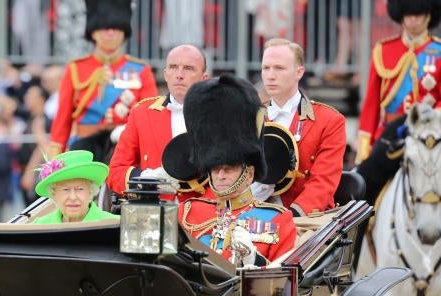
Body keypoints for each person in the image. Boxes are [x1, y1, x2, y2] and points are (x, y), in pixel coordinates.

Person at [173, 74, 297, 266]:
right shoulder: (187, 211)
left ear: (248, 174)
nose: (220, 175)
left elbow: (283, 281)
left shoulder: (278, 219)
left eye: (228, 169)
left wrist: (253, 260)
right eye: (215, 169)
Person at [48, 0, 157, 162]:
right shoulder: (76, 68)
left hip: (126, 148)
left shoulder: (141, 70)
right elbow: (62, 120)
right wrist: (55, 159)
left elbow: (150, 118)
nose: (111, 33)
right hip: (84, 149)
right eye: (105, 28)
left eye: (116, 28)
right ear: (93, 32)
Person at [107, 44, 209, 197]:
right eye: (173, 67)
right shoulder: (141, 112)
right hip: (155, 210)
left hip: (205, 213)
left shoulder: (217, 113)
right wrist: (148, 179)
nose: (179, 74)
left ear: (204, 78)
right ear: (166, 74)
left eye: (188, 68)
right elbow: (115, 172)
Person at [260, 38, 346, 216]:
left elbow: (323, 182)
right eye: (266, 68)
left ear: (299, 72)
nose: (270, 75)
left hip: (304, 219)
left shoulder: (329, 120)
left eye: (279, 68)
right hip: (255, 215)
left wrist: (293, 216)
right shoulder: (250, 117)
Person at [357, 0, 441, 162]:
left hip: (428, 134)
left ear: (429, 14)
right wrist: (364, 145)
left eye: (418, 13)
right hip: (389, 134)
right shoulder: (383, 50)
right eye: (408, 13)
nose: (412, 19)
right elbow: (372, 103)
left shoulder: (439, 52)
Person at [33, 150, 119, 224]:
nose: (73, 197)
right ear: (54, 193)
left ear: (90, 191)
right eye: (66, 189)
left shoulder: (114, 224)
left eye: (80, 189)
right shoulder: (40, 226)